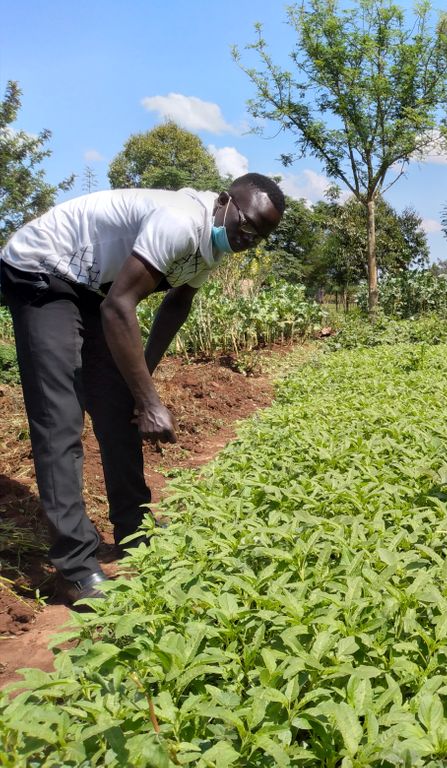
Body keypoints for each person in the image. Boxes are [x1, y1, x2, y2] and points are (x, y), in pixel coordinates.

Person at [0, 174, 286, 604]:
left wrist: (141, 387)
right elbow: (120, 305)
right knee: (60, 418)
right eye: (245, 227)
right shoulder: (179, 220)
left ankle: (134, 528)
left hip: (90, 285)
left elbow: (176, 304)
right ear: (224, 200)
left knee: (117, 405)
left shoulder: (210, 244)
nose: (247, 240)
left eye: (258, 237)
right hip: (43, 268)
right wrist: (151, 402)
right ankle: (75, 568)